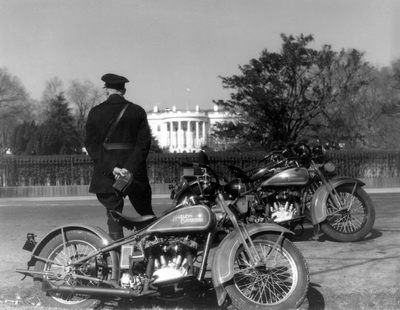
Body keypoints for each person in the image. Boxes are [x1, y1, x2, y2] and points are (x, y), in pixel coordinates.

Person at [85, 73, 154, 241]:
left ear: (106, 90)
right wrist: (128, 168)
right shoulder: (137, 111)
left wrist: (113, 168)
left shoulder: (95, 112)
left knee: (113, 214)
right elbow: (144, 144)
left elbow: (91, 146)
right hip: (135, 174)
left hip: (107, 175)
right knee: (146, 213)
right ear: (124, 90)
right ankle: (154, 250)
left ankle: (116, 257)